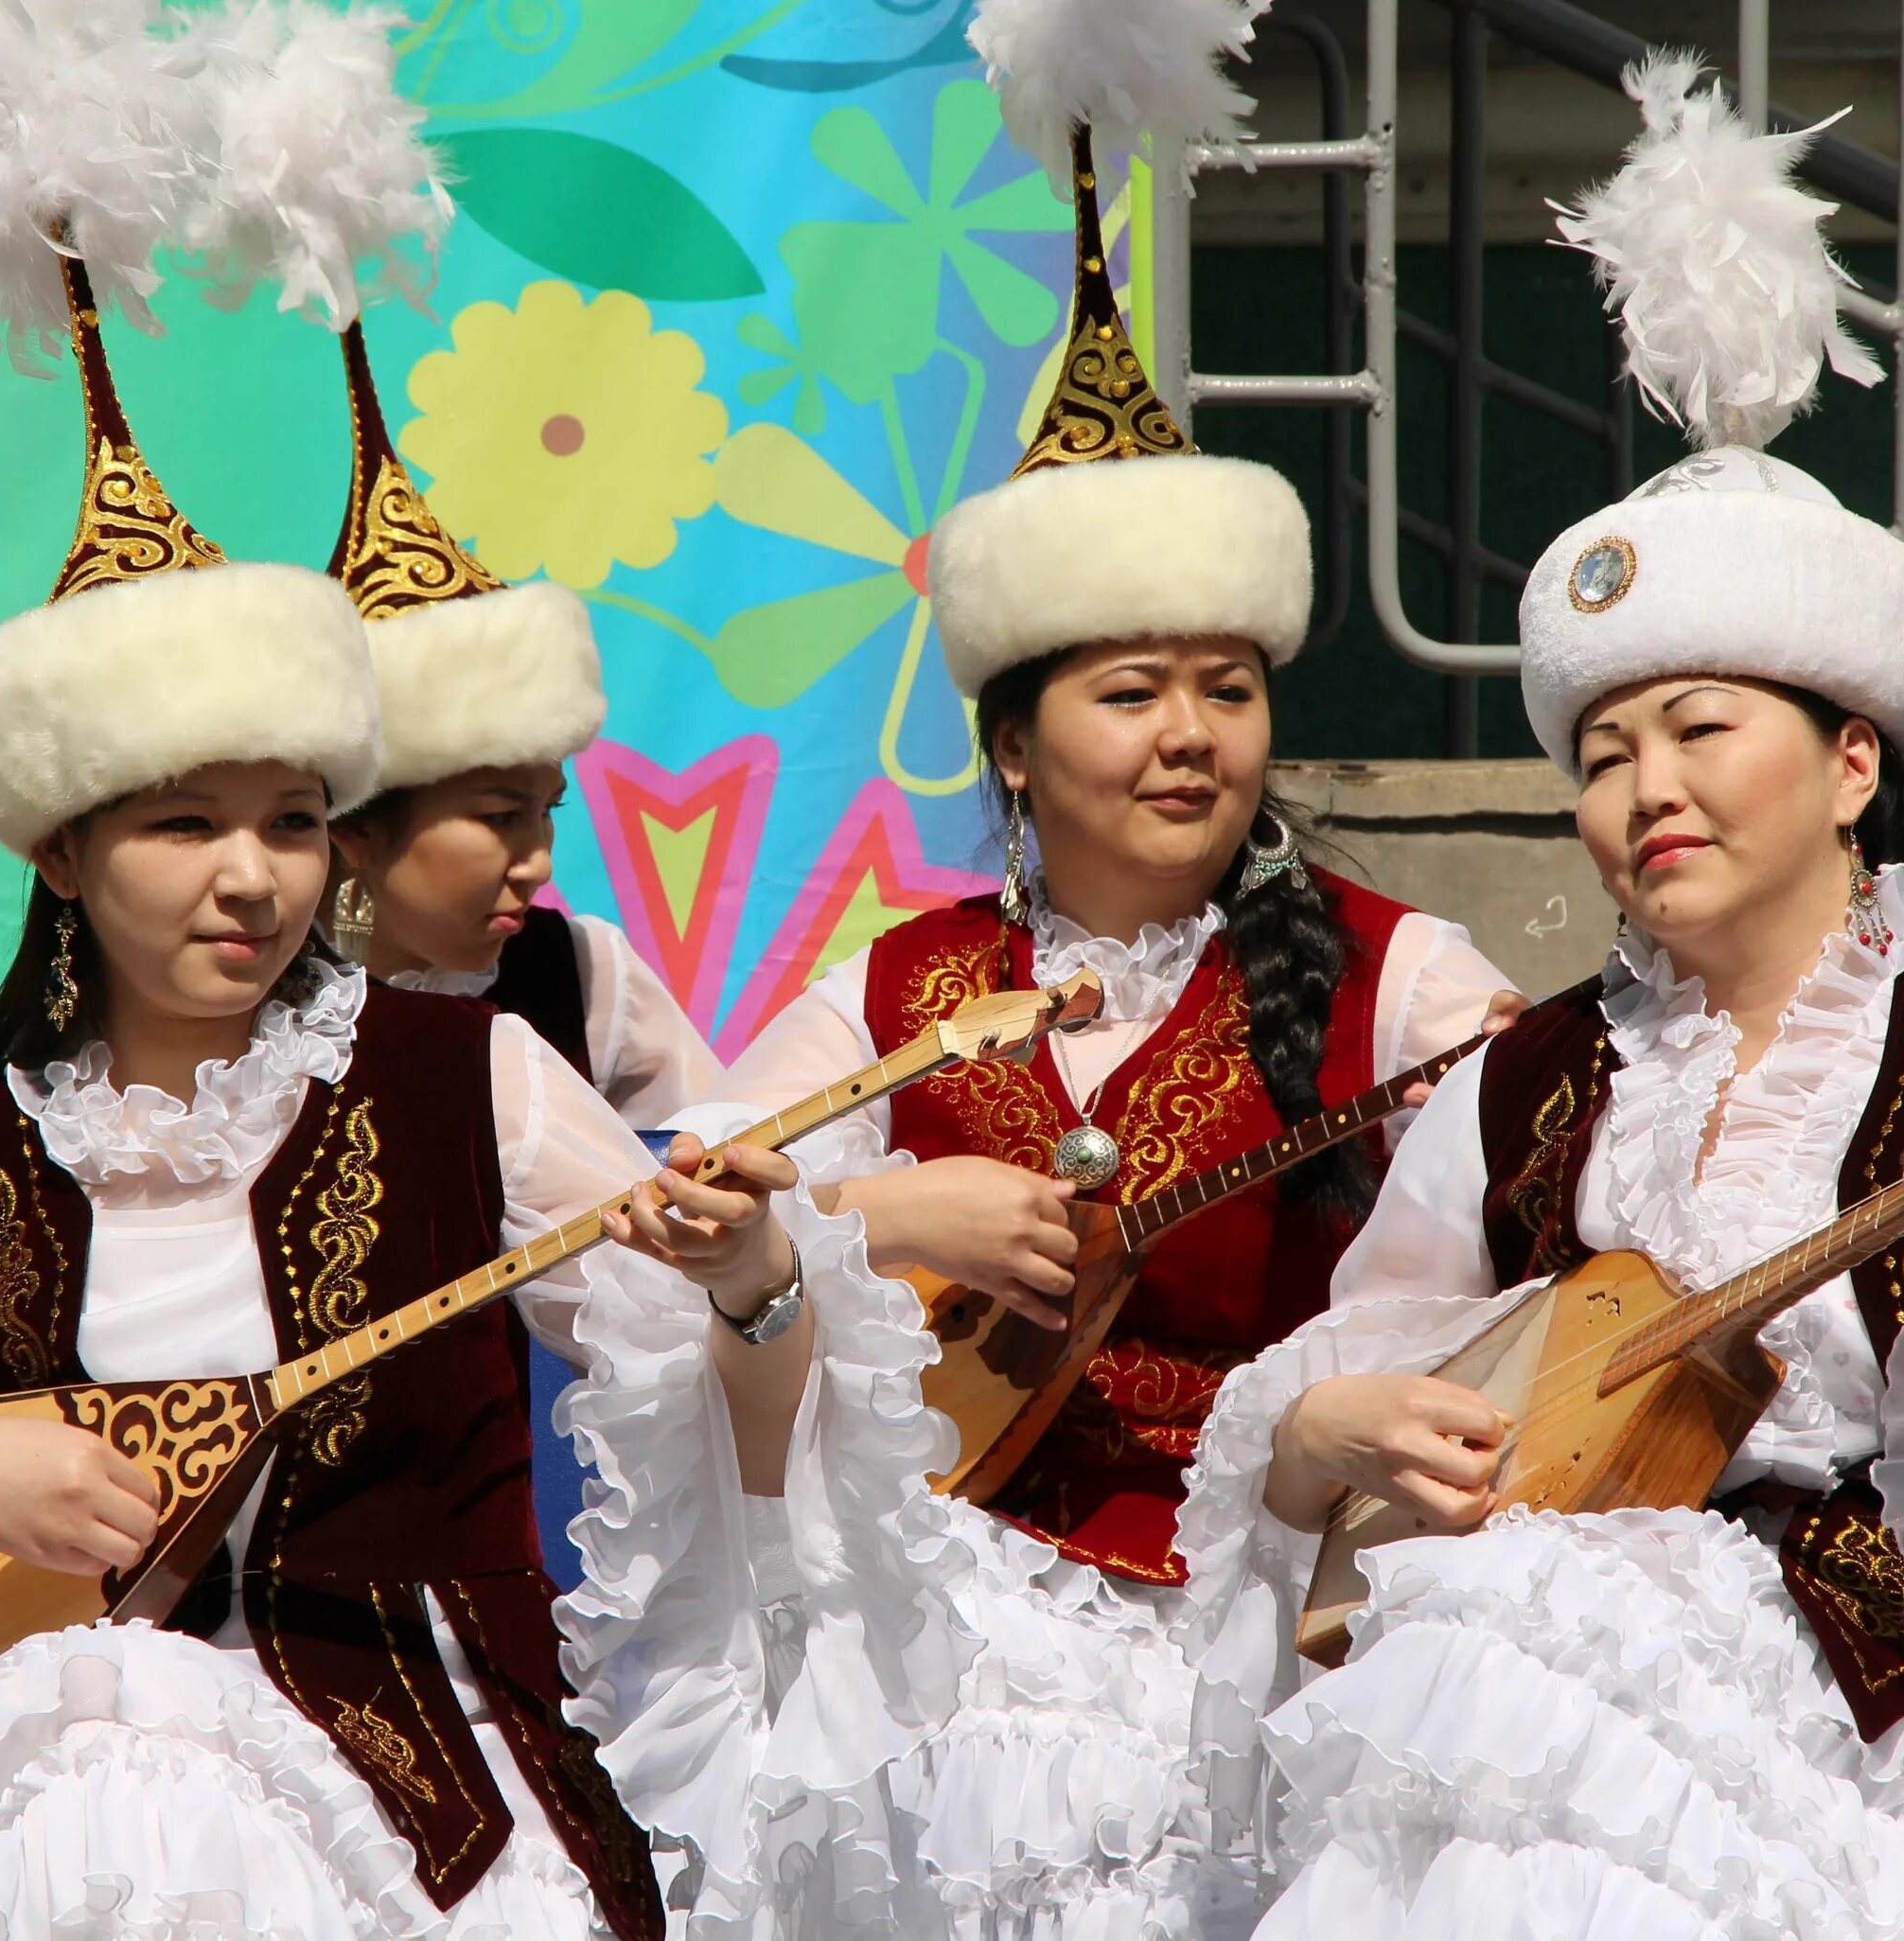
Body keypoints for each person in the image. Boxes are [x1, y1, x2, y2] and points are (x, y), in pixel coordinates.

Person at [0, 10, 907, 1937]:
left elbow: (750, 1427)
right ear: (62, 851)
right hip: (59, 1806)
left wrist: (754, 1281)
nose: (249, 875)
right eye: (180, 823)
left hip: (438, 1800)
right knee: (112, 1737)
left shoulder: (464, 1083)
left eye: (291, 815)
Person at [1172, 55, 1904, 1938]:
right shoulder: (1519, 1079)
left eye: (1701, 726)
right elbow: (1330, 1403)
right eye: (1607, 746)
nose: (1647, 789)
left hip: (1882, 1716)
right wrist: (1331, 1437)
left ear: (1855, 761)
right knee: (1491, 1669)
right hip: (1536, 1657)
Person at [570, 30, 1516, 1931]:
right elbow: (666, 1237)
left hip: (1269, 1597)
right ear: (1010, 742)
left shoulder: (1407, 982)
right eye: (1129, 690)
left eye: (1227, 689)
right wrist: (883, 1200)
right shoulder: (901, 983)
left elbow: (1537, 1268)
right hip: (967, 1610)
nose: (1190, 737)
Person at [317, 320, 719, 1130]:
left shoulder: (584, 973)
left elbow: (732, 1161)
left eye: (548, 811)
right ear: (356, 828)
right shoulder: (253, 1006)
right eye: (501, 816)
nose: (537, 861)